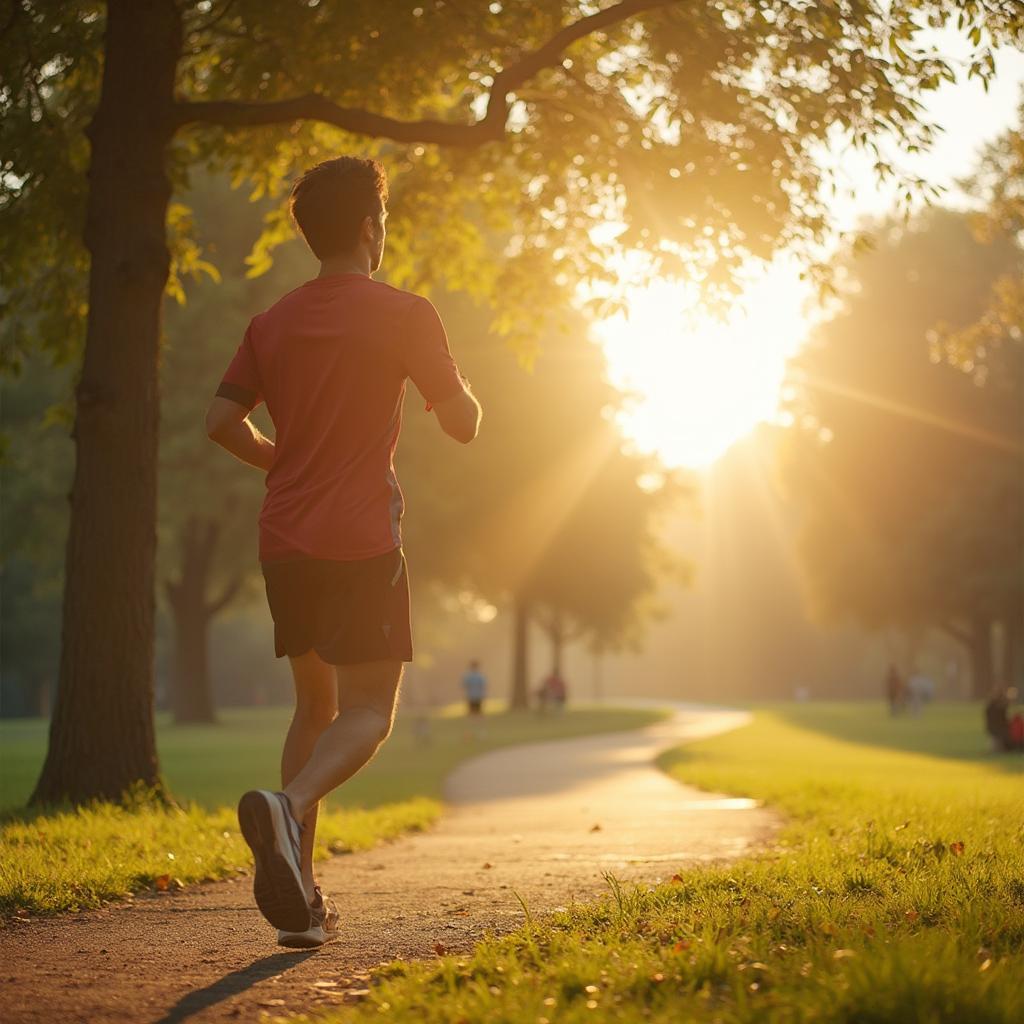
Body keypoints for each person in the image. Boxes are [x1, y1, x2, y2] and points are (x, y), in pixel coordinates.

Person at [206, 157, 481, 948]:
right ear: (370, 228)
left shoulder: (271, 323)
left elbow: (221, 425)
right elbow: (460, 423)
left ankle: (303, 901)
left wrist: (284, 462)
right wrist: (469, 395)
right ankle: (288, 813)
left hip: (284, 539)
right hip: (361, 539)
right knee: (368, 713)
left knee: (314, 708)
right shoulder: (404, 312)